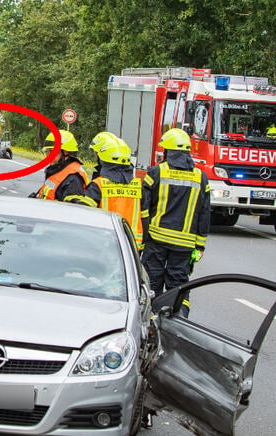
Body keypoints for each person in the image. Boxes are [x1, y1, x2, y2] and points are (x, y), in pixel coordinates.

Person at [140, 127, 211, 315]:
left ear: (168, 151)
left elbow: (144, 208)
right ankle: (179, 322)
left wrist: (144, 237)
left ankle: (150, 322)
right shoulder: (201, 177)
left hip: (157, 239)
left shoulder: (156, 173)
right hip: (184, 245)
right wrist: (200, 246)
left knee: (152, 282)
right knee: (179, 287)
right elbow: (205, 213)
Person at [85, 136, 144, 250]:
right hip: (132, 246)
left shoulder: (98, 185)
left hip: (103, 245)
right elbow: (145, 218)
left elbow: (85, 216)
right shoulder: (138, 186)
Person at [29, 130, 93, 205]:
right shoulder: (58, 170)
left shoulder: (73, 179)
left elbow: (72, 211)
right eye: (47, 151)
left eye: (52, 151)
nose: (48, 155)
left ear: (66, 152)